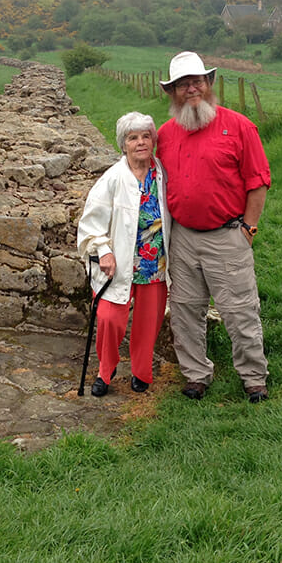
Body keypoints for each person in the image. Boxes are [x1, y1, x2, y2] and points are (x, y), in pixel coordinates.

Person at [156, 51, 272, 403]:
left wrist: (248, 229)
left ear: (209, 84)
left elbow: (258, 181)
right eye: (182, 85)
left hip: (228, 234)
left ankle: (254, 377)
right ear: (172, 93)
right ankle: (195, 375)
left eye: (197, 82)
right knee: (185, 310)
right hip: (183, 238)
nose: (191, 89)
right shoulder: (165, 134)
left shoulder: (238, 126)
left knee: (239, 310)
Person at [76, 112, 171, 397]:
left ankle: (142, 371)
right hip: (116, 264)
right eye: (133, 138)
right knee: (108, 318)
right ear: (123, 144)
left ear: (153, 140)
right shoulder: (113, 179)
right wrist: (103, 251)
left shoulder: (163, 173)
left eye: (146, 136)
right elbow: (90, 223)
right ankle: (106, 370)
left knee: (148, 321)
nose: (141, 142)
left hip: (155, 261)